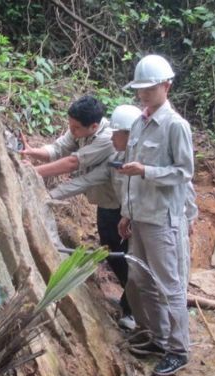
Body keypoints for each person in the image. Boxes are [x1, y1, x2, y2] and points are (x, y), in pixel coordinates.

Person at [117, 54, 194, 376]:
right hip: (140, 216)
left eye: (150, 88)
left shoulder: (175, 126)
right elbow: (128, 173)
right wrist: (126, 213)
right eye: (140, 89)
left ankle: (179, 349)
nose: (144, 95)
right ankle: (158, 338)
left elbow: (184, 172)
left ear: (167, 85)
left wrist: (147, 171)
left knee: (169, 285)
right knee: (140, 279)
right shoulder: (138, 123)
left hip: (163, 219)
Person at [21, 96, 129, 326]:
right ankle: (130, 303)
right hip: (105, 203)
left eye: (75, 128)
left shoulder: (109, 140)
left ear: (94, 126)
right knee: (113, 253)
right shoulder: (81, 128)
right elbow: (59, 148)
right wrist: (33, 152)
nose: (71, 131)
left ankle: (131, 308)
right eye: (70, 125)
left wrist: (34, 175)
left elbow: (73, 164)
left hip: (122, 208)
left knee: (123, 257)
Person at [49, 104, 143, 330]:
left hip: (138, 219)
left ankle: (135, 311)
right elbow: (88, 180)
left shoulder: (145, 160)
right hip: (113, 210)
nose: (111, 137)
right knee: (112, 254)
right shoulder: (117, 155)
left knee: (134, 260)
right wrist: (49, 195)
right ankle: (130, 303)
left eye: (117, 134)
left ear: (130, 135)